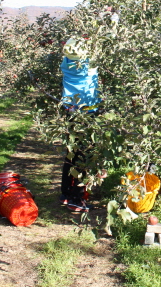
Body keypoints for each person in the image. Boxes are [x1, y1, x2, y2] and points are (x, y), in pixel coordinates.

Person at [59, 37, 101, 213]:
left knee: (71, 154)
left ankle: (66, 194)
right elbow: (109, 42)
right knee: (84, 157)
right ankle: (76, 199)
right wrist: (112, 18)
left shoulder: (66, 64)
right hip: (87, 114)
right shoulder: (88, 66)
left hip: (71, 112)